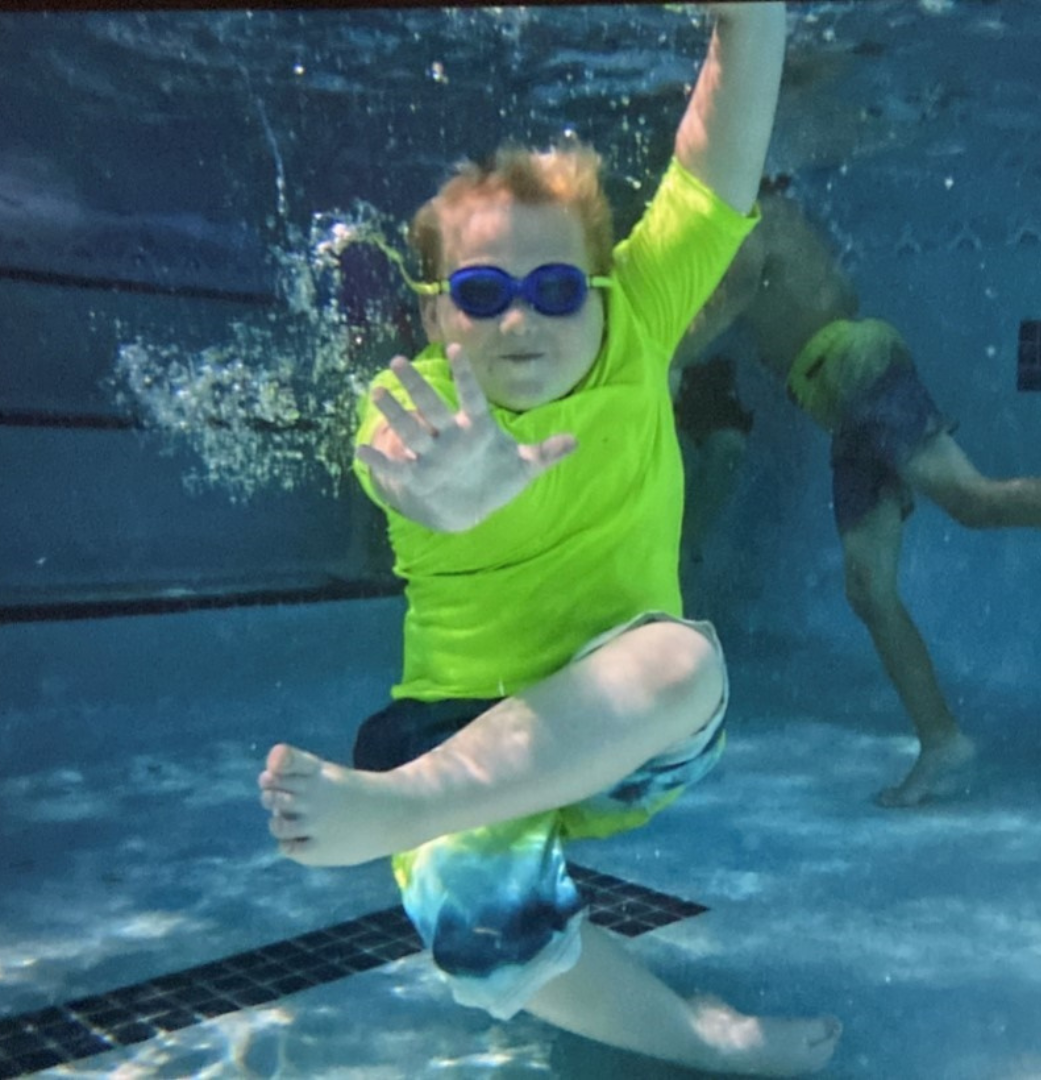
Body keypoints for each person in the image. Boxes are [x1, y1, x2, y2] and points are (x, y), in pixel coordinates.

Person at [259, 4, 842, 1074]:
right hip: (459, 733)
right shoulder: (408, 406)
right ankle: (701, 1041)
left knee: (681, 661)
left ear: (603, 289)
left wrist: (751, 21)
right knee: (490, 954)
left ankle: (402, 810)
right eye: (482, 294)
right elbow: (408, 483)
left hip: (616, 735)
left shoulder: (636, 322)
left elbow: (717, 161)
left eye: (555, 288)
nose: (521, 320)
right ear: (435, 315)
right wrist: (456, 501)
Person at [672, 179, 1041, 809]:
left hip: (851, 368)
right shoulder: (781, 220)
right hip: (843, 388)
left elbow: (728, 303)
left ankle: (943, 740)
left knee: (972, 501)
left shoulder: (753, 219)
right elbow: (834, 293)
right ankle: (943, 741)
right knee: (868, 588)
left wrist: (653, 355)